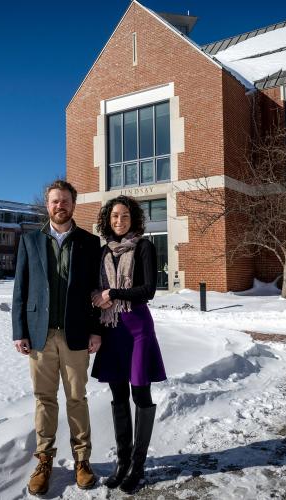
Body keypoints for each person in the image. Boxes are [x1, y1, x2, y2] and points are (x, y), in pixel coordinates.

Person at [11, 179, 102, 496]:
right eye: (54, 201)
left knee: (77, 399)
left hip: (76, 334)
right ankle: (44, 460)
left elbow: (95, 291)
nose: (59, 206)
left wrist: (95, 330)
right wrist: (19, 331)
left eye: (65, 201)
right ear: (47, 205)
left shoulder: (90, 243)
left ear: (73, 204)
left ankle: (82, 460)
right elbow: (20, 289)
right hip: (39, 335)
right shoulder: (30, 241)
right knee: (44, 399)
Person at [91, 195, 167, 494]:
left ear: (133, 218)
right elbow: (98, 293)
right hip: (112, 329)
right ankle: (122, 463)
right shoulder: (103, 252)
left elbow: (149, 290)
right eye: (113, 217)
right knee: (118, 395)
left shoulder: (144, 247)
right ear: (107, 221)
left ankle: (138, 466)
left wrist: (112, 293)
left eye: (124, 216)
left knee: (140, 394)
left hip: (137, 329)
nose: (118, 221)